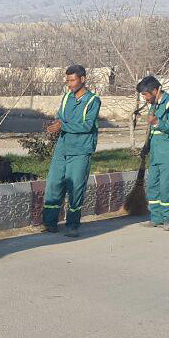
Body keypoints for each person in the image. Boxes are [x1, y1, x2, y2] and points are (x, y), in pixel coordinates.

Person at [41, 65, 102, 237]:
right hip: (63, 148)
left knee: (76, 187)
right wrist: (55, 124)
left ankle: (72, 224)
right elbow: (61, 117)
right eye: (67, 80)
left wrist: (62, 125)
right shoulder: (67, 97)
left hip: (81, 150)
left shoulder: (93, 101)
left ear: (82, 79)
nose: (69, 84)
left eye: (72, 80)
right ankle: (49, 222)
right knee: (54, 184)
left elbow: (87, 125)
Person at [137, 76, 169, 231]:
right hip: (156, 152)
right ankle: (156, 218)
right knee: (153, 184)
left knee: (166, 186)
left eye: (146, 95)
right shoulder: (154, 104)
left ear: (155, 91)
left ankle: (168, 219)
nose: (145, 98)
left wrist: (156, 122)